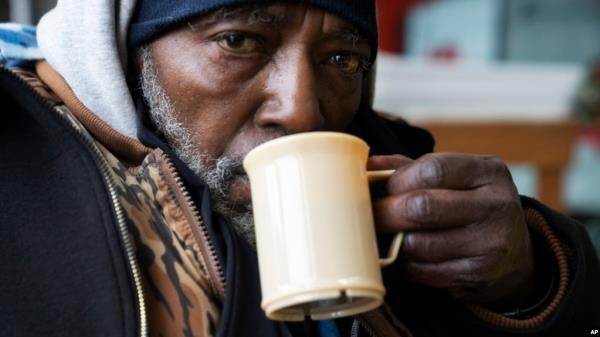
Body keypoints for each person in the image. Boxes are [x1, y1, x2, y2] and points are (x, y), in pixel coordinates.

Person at [1, 1, 598, 336]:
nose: (303, 109)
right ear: (123, 46)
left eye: (342, 58)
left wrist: (532, 282)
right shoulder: (17, 158)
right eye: (238, 41)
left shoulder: (389, 162)